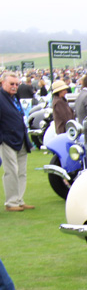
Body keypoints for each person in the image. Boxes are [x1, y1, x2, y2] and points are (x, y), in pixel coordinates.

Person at [1, 72, 34, 212]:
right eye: (11, 84)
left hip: (20, 138)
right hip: (7, 139)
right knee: (11, 171)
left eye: (16, 84)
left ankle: (19, 200)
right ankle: (11, 202)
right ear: (3, 83)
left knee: (21, 171)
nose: (14, 87)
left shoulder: (14, 98)